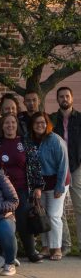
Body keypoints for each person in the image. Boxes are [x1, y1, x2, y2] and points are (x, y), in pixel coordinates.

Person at [0, 113, 44, 263]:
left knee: (23, 221)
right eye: (6, 123)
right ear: (2, 126)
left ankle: (31, 251)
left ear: (17, 125)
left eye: (13, 123)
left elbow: (35, 166)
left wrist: (37, 187)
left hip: (22, 189)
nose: (10, 126)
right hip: (3, 191)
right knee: (3, 220)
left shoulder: (25, 143)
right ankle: (4, 252)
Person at [30, 112, 69, 261]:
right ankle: (45, 247)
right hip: (40, 185)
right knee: (42, 216)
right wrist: (35, 186)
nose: (40, 125)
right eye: (36, 123)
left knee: (53, 215)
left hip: (57, 182)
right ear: (32, 126)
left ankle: (56, 248)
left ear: (47, 124)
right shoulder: (32, 141)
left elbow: (63, 165)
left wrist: (59, 187)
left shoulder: (55, 140)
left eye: (42, 122)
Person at [49, 86, 81, 257]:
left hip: (77, 166)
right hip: (59, 167)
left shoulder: (80, 119)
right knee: (58, 209)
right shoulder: (52, 119)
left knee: (79, 206)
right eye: (61, 96)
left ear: (72, 98)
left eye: (67, 96)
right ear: (58, 99)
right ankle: (64, 244)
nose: (64, 99)